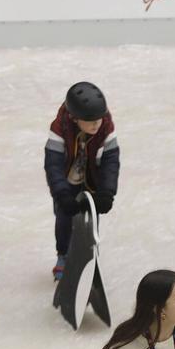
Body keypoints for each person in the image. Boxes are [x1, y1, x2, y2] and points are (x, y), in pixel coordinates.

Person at [44, 82, 119, 280]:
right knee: (64, 219)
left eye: (99, 119)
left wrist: (107, 192)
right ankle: (63, 256)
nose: (96, 124)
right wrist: (61, 194)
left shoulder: (106, 128)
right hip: (67, 181)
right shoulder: (59, 128)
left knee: (91, 219)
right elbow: (53, 164)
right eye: (90, 121)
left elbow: (111, 162)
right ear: (76, 119)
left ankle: (89, 256)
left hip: (92, 179)